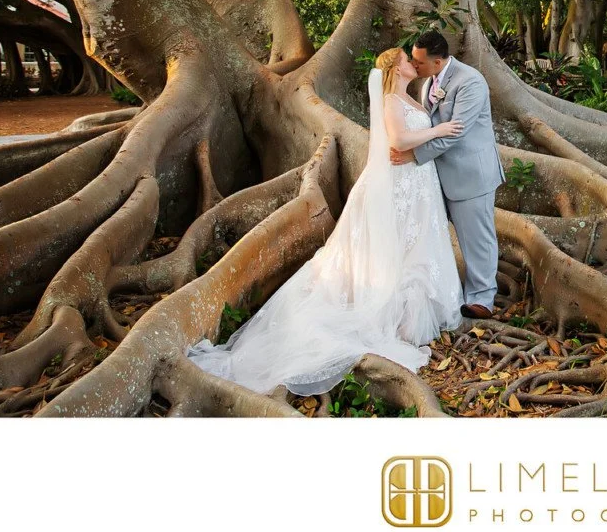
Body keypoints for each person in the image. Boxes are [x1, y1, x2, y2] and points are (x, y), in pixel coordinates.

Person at [185, 48, 464, 396]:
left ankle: (408, 309)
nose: (413, 62)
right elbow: (398, 141)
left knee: (414, 242)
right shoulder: (392, 100)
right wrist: (438, 131)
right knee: (397, 243)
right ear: (396, 68)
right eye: (408, 59)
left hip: (417, 183)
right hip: (399, 183)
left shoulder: (412, 97)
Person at [390, 30, 505, 319]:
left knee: (477, 236)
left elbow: (455, 132)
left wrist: (413, 155)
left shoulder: (471, 83)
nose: (415, 67)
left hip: (470, 173)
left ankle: (483, 299)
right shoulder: (428, 81)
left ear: (438, 62)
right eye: (413, 61)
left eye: (419, 63)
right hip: (437, 174)